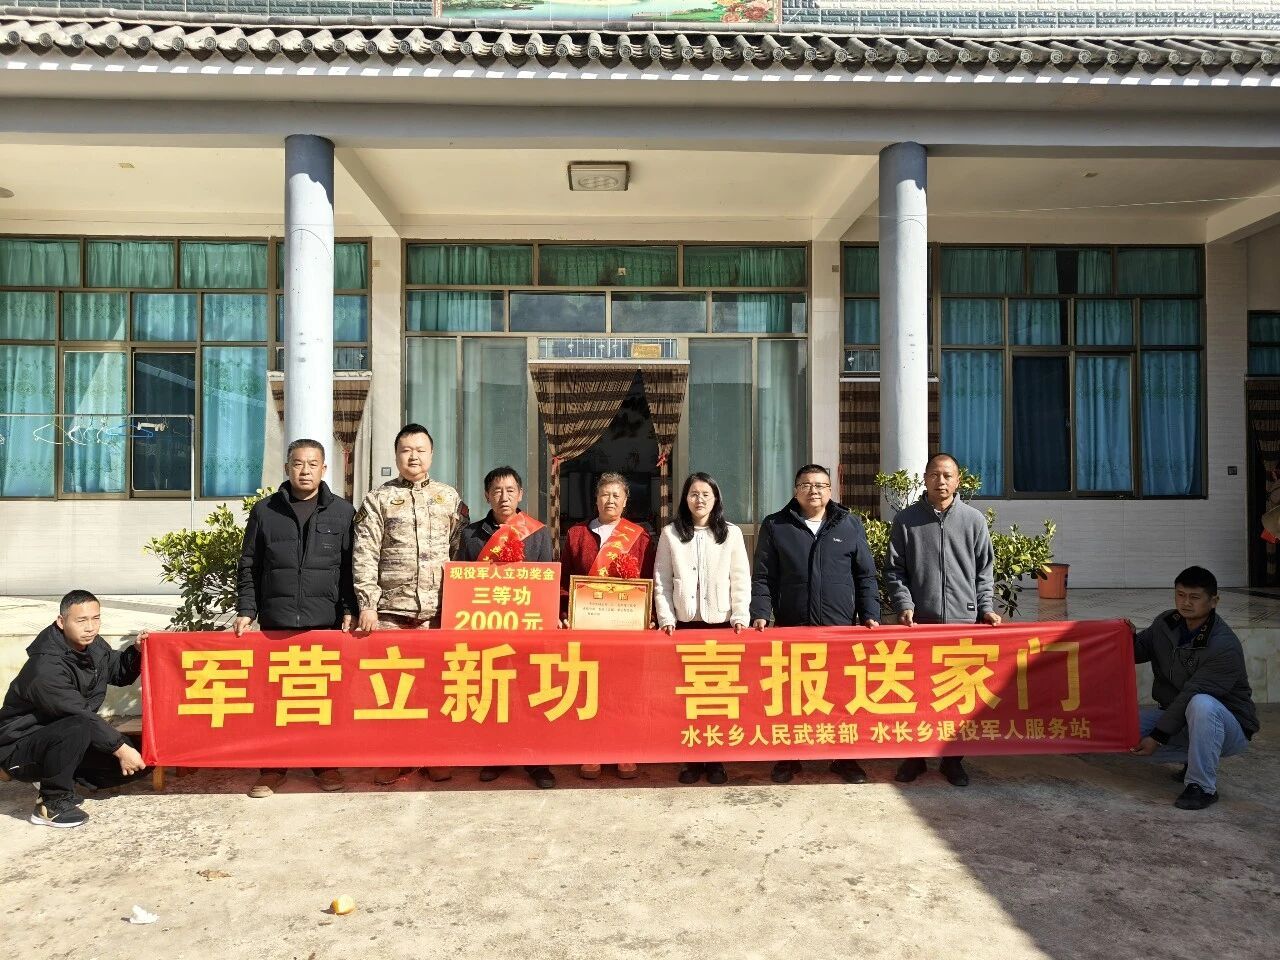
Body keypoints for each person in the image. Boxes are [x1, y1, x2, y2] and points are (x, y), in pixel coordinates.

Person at [234, 438, 356, 798]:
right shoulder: (265, 511)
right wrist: (246, 609)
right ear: (287, 467)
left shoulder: (342, 512)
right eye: (298, 463)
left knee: (321, 696)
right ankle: (273, 768)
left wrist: (349, 608)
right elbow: (249, 565)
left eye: (313, 464)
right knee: (276, 698)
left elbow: (349, 568)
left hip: (323, 622)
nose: (305, 470)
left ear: (324, 469)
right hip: (277, 623)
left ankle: (324, 764)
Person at [750, 464, 880, 785]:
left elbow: (865, 574)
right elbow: (764, 576)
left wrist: (870, 613)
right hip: (793, 624)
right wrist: (761, 612)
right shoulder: (777, 525)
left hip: (839, 627)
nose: (814, 491)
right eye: (806, 485)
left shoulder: (849, 524)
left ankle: (844, 757)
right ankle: (788, 756)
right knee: (792, 693)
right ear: (796, 490)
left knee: (841, 693)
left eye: (821, 485)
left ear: (830, 491)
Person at [354, 423, 467, 786]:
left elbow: (458, 551)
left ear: (432, 454)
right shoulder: (378, 499)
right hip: (391, 611)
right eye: (406, 450)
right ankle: (395, 757)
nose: (413, 456)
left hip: (437, 612)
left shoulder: (449, 498)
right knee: (392, 688)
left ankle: (434, 755)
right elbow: (365, 554)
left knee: (436, 687)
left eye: (420, 450)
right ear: (396, 454)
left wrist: (458, 603)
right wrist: (367, 604)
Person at [886, 452, 1000, 788]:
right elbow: (894, 570)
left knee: (957, 698)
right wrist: (904, 603)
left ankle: (952, 760)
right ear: (925, 479)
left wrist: (985, 607)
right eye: (935, 474)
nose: (941, 481)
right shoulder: (906, 521)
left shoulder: (973, 520)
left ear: (958, 480)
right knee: (918, 695)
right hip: (920, 625)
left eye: (948, 475)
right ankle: (915, 757)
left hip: (963, 625)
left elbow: (984, 572)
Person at [0, 591, 146, 828]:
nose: (90, 627)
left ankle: (61, 775)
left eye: (95, 618)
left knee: (142, 758)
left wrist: (137, 651)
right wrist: (120, 749)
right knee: (79, 727)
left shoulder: (92, 646)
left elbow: (118, 672)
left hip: (65, 737)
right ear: (61, 621)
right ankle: (51, 803)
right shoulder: (45, 668)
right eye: (81, 620)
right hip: (19, 746)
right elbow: (78, 714)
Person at [457, 466, 555, 790]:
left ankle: (537, 760)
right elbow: (462, 584)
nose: (504, 496)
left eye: (510, 490)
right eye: (497, 490)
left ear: (520, 494)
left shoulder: (538, 533)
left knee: (531, 694)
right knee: (494, 692)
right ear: (487, 495)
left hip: (528, 630)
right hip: (488, 630)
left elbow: (547, 581)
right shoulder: (471, 535)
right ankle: (496, 754)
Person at [1130, 566, 1259, 810]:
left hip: (1228, 726)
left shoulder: (1223, 645)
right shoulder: (1165, 623)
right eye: (1180, 595)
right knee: (1122, 732)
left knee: (1201, 703)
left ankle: (1202, 786)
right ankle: (1195, 757)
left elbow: (1192, 694)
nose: (1186, 603)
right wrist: (1123, 635)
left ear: (1214, 601)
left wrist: (1157, 737)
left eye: (1194, 597)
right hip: (1179, 717)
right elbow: (1136, 651)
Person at [655, 472, 750, 786]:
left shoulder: (731, 534)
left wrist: (740, 614)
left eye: (706, 494)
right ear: (685, 498)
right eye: (694, 494)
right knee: (688, 695)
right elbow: (662, 580)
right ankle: (692, 759)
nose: (699, 500)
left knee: (717, 695)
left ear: (716, 498)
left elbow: (740, 577)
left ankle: (716, 758)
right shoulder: (670, 533)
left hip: (720, 623)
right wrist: (667, 618)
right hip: (683, 624)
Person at [561, 471, 655, 780]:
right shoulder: (576, 535)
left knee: (624, 690)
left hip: (627, 628)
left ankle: (625, 749)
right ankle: (593, 749)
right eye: (604, 494)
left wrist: (651, 615)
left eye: (616, 495)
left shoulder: (640, 538)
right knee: (590, 690)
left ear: (626, 501)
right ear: (596, 499)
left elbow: (651, 580)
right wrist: (565, 612)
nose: (610, 500)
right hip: (588, 627)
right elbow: (565, 581)